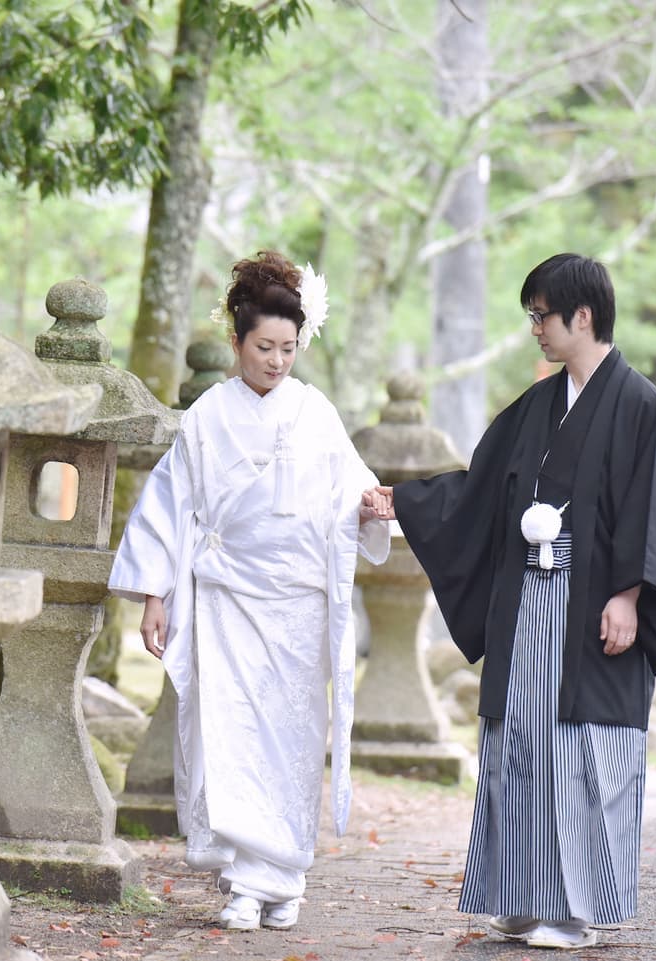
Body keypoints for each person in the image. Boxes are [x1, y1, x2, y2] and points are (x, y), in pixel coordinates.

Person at [389, 254, 656, 950]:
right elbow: (481, 489)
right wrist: (402, 500)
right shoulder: (536, 407)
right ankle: (521, 898)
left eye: (541, 316)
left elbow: (655, 511)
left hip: (594, 608)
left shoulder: (641, 405)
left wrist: (628, 594)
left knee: (580, 751)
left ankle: (575, 908)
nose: (535, 329)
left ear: (581, 317)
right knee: (520, 742)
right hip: (531, 604)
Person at [108, 251, 393, 931]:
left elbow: (346, 491)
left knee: (291, 736)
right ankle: (243, 878)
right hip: (229, 596)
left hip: (297, 601)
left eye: (289, 348)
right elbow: (171, 506)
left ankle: (285, 877)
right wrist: (156, 593)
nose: (277, 360)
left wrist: (368, 506)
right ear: (237, 342)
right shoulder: (206, 416)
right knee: (231, 734)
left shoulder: (315, 413)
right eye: (264, 346)